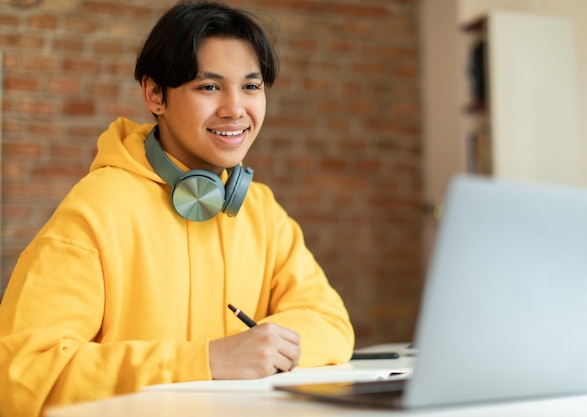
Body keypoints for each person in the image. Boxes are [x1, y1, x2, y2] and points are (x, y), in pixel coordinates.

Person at [0, 2, 355, 416]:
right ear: (155, 95)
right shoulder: (97, 209)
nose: (235, 109)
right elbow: (21, 372)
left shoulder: (260, 210)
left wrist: (263, 349)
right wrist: (205, 361)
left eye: (251, 87)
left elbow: (331, 323)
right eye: (209, 87)